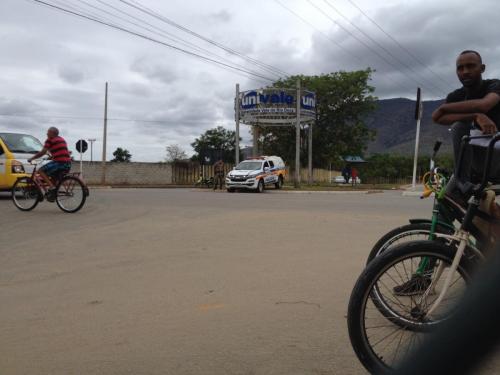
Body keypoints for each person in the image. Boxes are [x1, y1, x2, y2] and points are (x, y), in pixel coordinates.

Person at [432, 50, 500, 180]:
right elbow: (438, 117)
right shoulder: (455, 96)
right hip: (477, 161)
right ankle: (461, 184)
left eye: (471, 66)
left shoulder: (495, 85)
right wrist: (474, 116)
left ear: (482, 68)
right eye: (460, 68)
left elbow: (484, 104)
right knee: (459, 127)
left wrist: (443, 107)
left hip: (497, 154)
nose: (465, 71)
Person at [28, 127, 72, 201]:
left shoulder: (49, 140)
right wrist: (51, 157)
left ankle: (52, 187)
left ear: (52, 133)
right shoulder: (62, 139)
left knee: (40, 171)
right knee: (53, 176)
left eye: (48, 132)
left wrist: (32, 158)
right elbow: (61, 152)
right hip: (67, 164)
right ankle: (52, 194)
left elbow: (43, 152)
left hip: (59, 163)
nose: (46, 134)